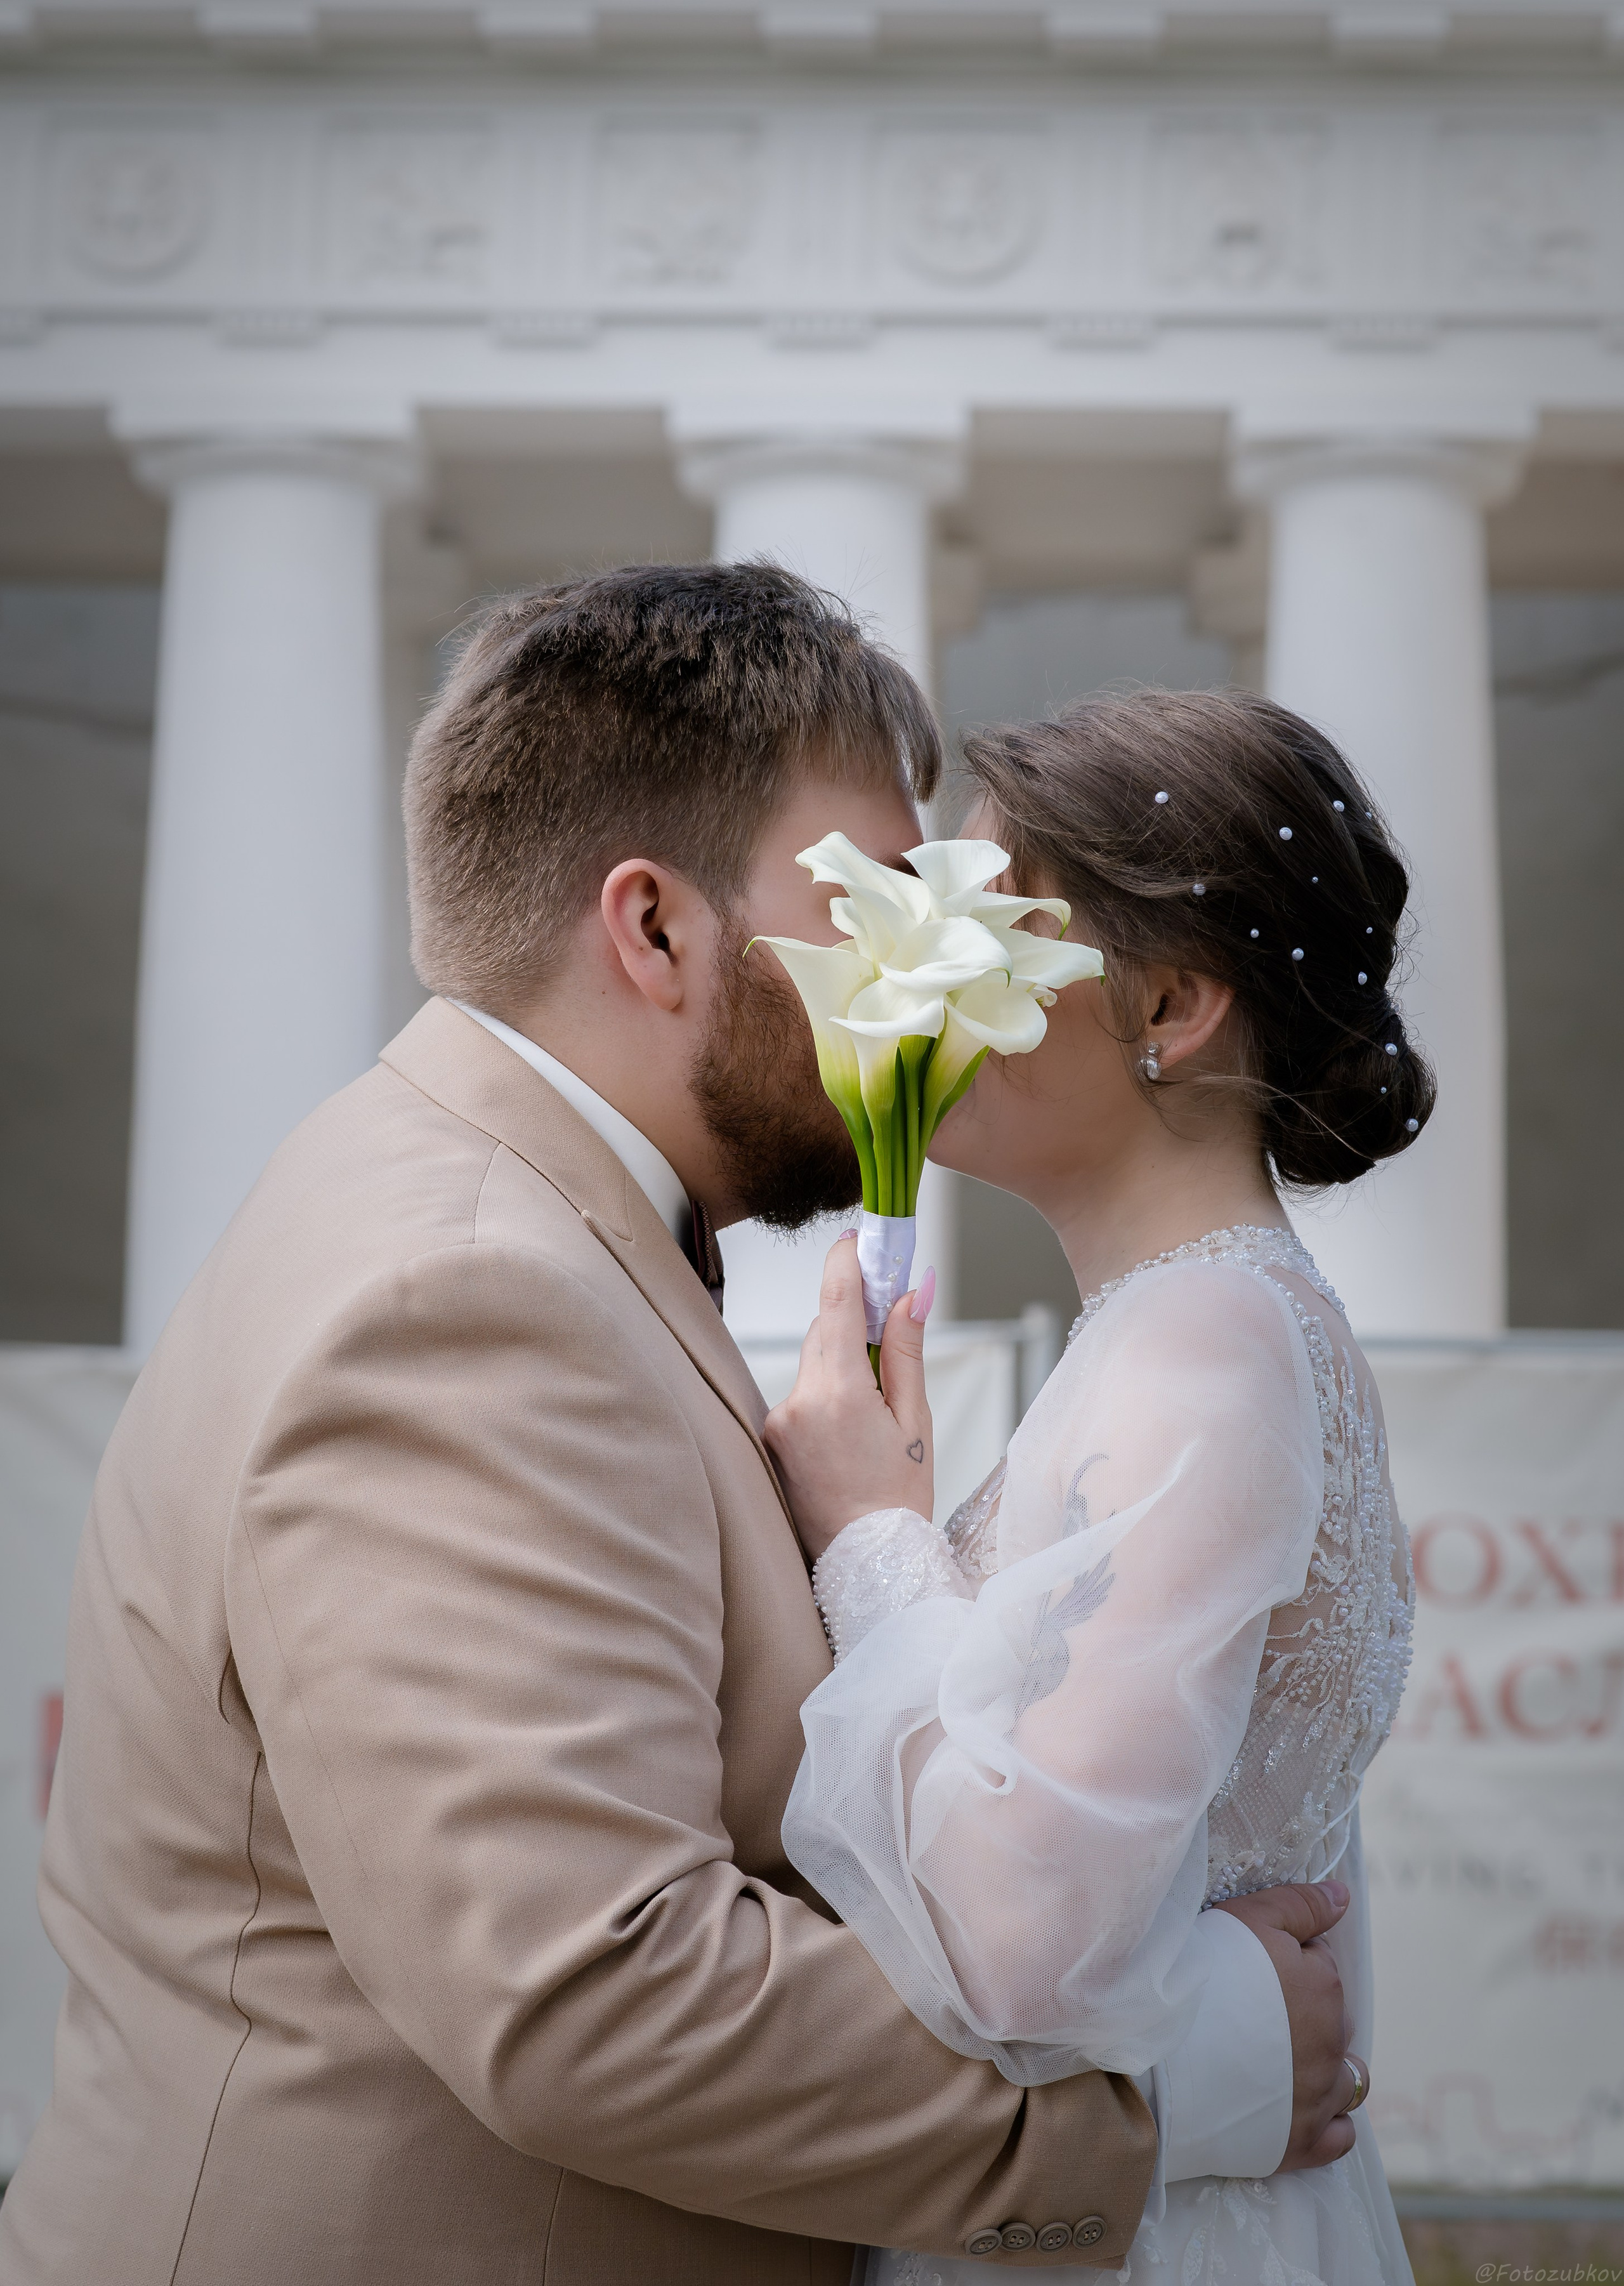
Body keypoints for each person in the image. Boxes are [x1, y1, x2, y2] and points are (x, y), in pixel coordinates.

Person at [3, 577, 1356, 2286]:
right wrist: (1180, 2083)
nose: (921, 981)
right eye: (867, 901)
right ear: (653, 929)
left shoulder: (510, 1224)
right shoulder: (464, 1295)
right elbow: (594, 1989)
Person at [767, 689, 1428, 2285]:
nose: (932, 975)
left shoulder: (1207, 1340)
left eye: (991, 923)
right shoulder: (1207, 1321)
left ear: (1171, 1004)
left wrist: (873, 1540)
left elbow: (1023, 1939)